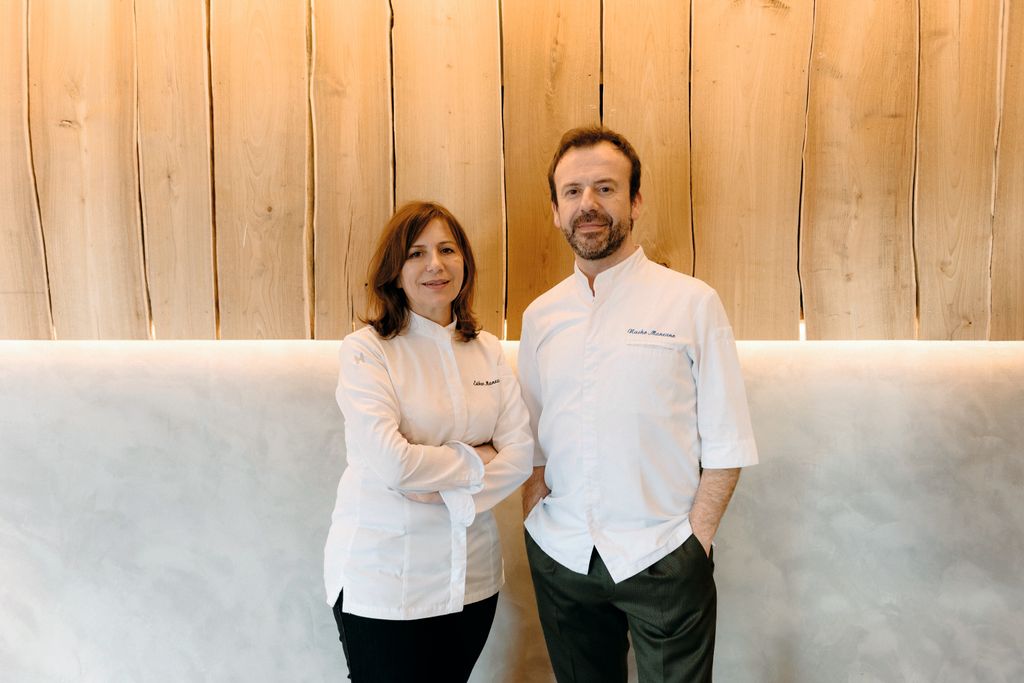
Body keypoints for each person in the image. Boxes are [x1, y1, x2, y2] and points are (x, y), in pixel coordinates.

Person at [517, 126, 759, 682]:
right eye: (573, 192)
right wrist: (535, 513)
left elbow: (728, 442)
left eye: (606, 188)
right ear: (556, 210)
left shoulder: (692, 303)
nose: (589, 205)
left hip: (662, 556)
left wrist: (693, 543)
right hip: (563, 554)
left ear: (635, 201)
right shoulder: (541, 316)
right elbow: (529, 437)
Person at [324, 201, 533, 682]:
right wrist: (477, 458)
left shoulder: (487, 351)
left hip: (472, 581)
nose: (434, 265)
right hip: (386, 581)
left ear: (465, 263)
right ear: (394, 272)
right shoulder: (366, 352)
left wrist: (438, 477)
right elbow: (395, 465)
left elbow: (520, 455)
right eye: (416, 254)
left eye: (446, 249)